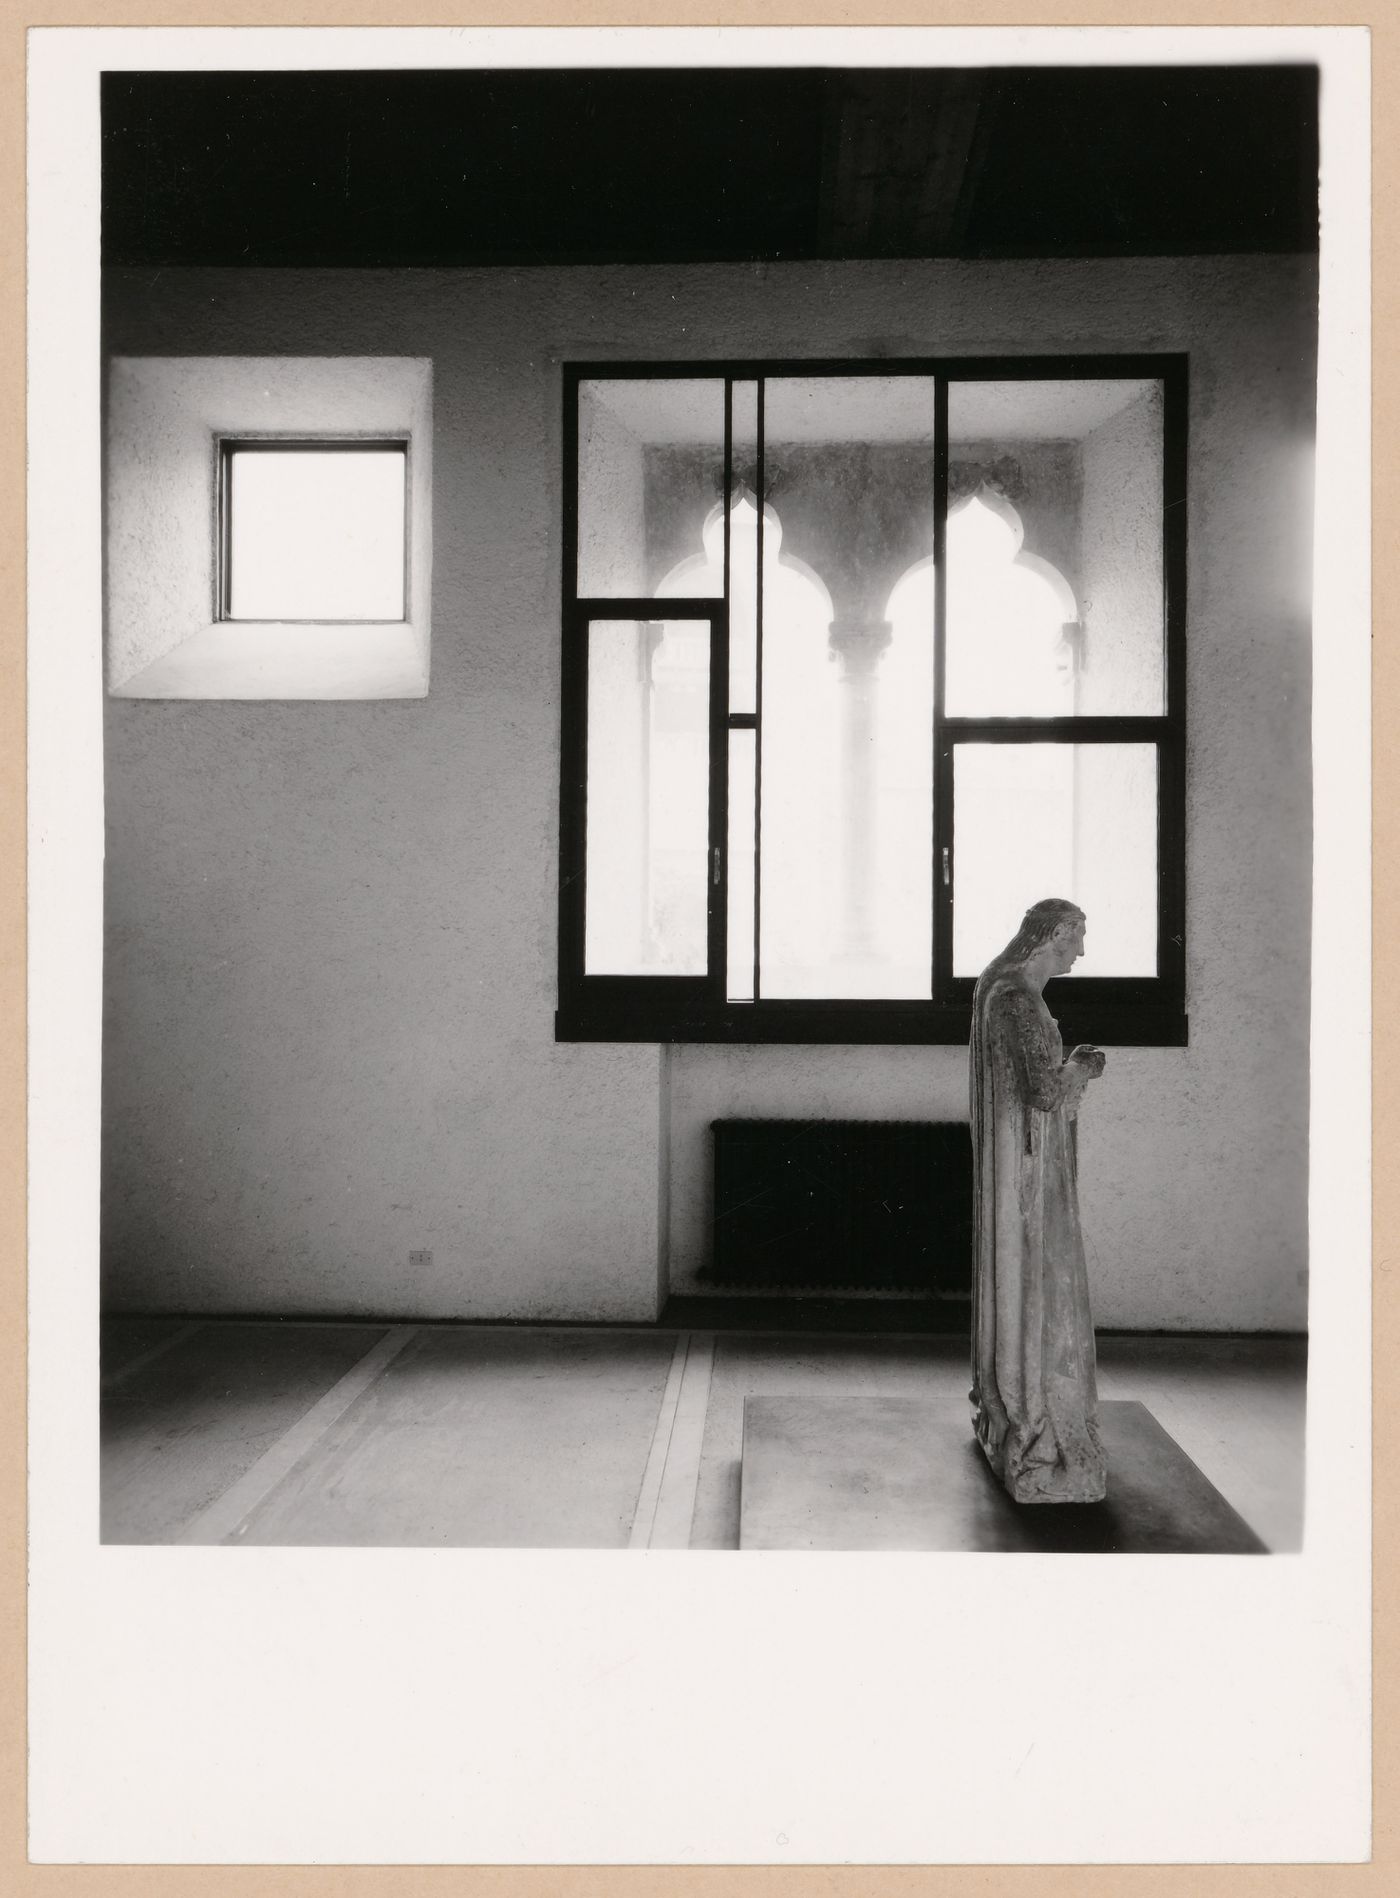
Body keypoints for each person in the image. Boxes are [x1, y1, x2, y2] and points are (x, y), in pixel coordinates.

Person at [968, 898, 1108, 1503]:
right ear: (1051, 936)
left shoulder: (994, 988)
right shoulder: (1020, 999)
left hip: (1015, 1164)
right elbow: (1045, 1094)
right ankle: (1036, 1431)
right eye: (1076, 938)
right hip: (1027, 1174)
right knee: (1038, 1286)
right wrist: (1083, 1066)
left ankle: (1006, 1414)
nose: (1081, 950)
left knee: (1020, 1285)